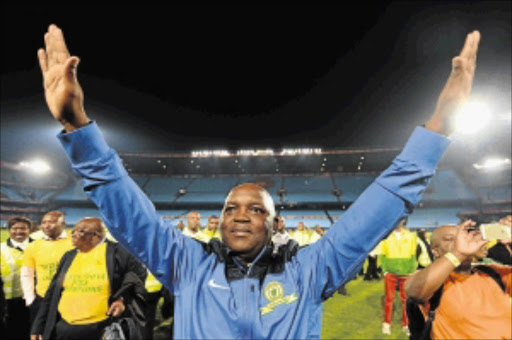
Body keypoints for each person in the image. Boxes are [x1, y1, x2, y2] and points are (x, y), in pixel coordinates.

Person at [37, 24, 480, 339]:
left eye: (255, 209)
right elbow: (125, 207)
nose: (240, 216)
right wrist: (77, 124)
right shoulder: (186, 266)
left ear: (275, 222)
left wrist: (439, 127)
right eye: (231, 208)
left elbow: (383, 203)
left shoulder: (311, 270)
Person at [30, 217, 147, 340]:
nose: (72, 234)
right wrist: (38, 326)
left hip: (101, 327)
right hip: (65, 327)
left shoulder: (119, 253)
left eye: (79, 231)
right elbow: (52, 292)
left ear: (95, 235)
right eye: (73, 230)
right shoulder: (69, 256)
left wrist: (122, 300)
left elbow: (137, 277)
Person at [405, 220, 511, 339]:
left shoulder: (493, 273)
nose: (460, 242)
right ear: (435, 251)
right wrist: (458, 253)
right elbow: (416, 293)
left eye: (463, 237)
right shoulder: (433, 279)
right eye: (450, 239)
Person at [20, 211, 74, 326]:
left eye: (52, 222)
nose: (46, 226)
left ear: (63, 224)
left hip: (69, 297)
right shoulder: (33, 246)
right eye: (43, 222)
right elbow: (26, 274)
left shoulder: (75, 242)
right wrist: (30, 299)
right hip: (42, 298)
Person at [380, 217, 418, 336]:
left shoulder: (411, 236)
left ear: (403, 222)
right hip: (390, 272)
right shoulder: (386, 236)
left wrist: (412, 270)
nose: (398, 223)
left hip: (406, 273)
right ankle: (387, 324)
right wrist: (384, 270)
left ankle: (406, 325)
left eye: (400, 220)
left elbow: (413, 254)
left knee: (406, 300)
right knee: (389, 299)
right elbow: (383, 254)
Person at [0, 216, 34, 339]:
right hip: (8, 301)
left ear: (29, 230)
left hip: (35, 300)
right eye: (15, 228)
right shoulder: (1, 248)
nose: (19, 231)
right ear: (9, 230)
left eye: (23, 228)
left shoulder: (39, 247)